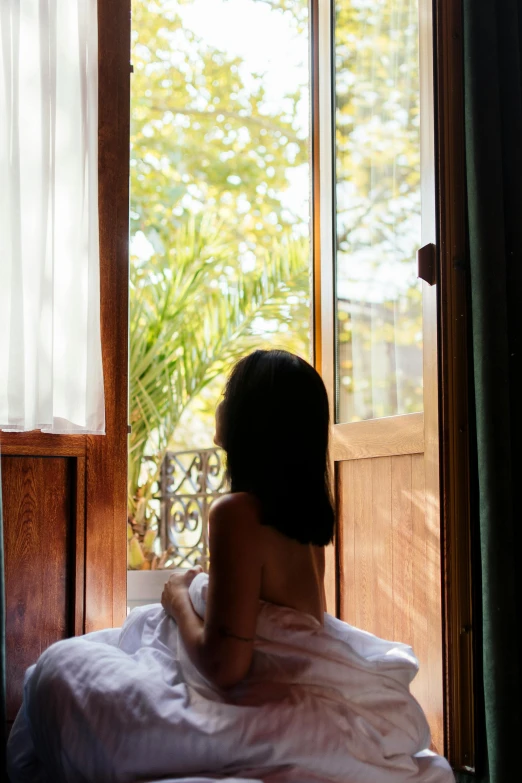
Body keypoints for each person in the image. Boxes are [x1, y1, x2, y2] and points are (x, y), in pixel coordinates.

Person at [7, 350, 454, 783]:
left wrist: (179, 596)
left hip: (249, 680)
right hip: (284, 671)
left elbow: (225, 667)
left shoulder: (237, 513)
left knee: (59, 670)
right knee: (95, 655)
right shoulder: (299, 516)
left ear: (250, 421)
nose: (220, 404)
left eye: (227, 394)